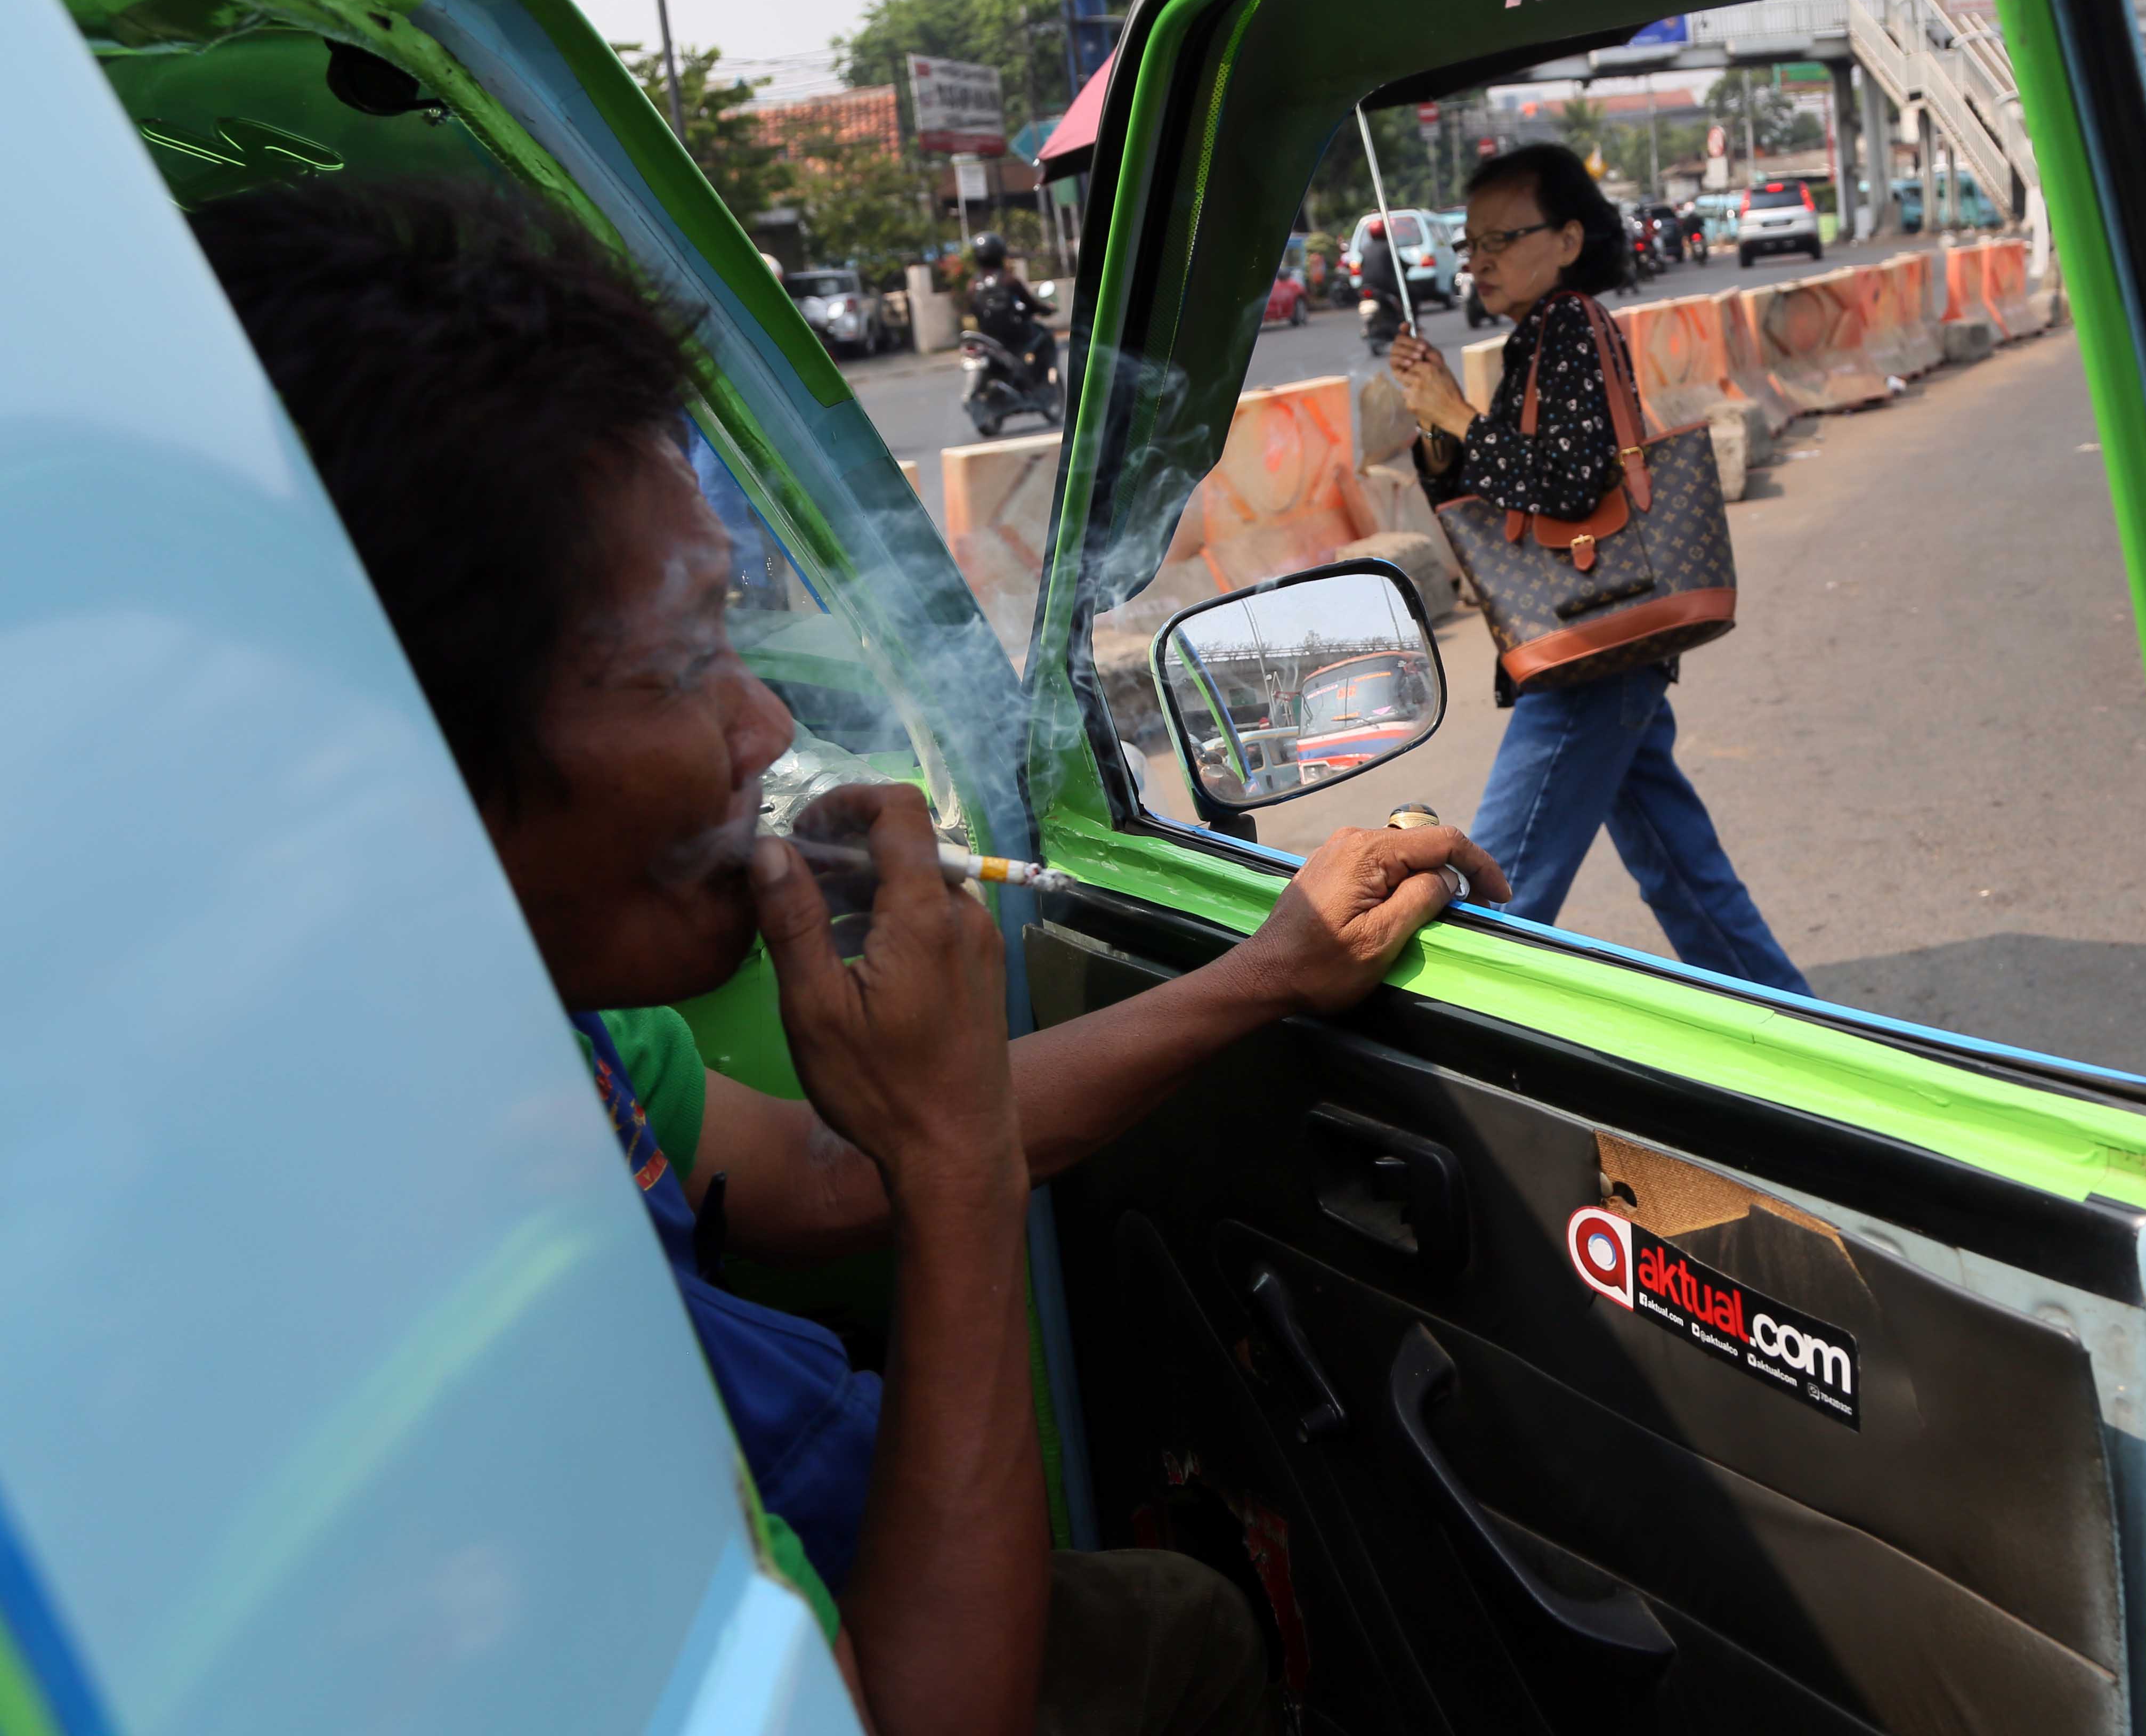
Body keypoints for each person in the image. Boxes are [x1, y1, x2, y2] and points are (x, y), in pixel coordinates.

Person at [188, 180, 1507, 1736]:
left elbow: (816, 1169)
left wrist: (1265, 973)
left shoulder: (518, 1026)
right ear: (395, 751)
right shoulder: (359, 1295)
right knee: (1185, 1630)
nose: (765, 728)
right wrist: (958, 1170)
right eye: (683, 662)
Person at [1386, 144, 1811, 996]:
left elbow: (1574, 485)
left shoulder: (1569, 324)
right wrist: (1441, 426)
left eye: (1504, 238)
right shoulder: (1539, 338)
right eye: (1472, 245)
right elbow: (1498, 486)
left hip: (1587, 648)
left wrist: (1462, 415)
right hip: (1610, 642)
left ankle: (1464, 1061)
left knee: (1501, 898)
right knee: (1684, 878)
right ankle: (1812, 1040)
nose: (1483, 261)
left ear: (1570, 239)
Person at [967, 230, 1059, 384]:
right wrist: (1047, 309)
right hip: (1014, 336)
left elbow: (973, 310)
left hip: (987, 337)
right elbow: (1032, 304)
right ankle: (1040, 382)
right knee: (1044, 337)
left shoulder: (972, 286)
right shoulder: (1008, 281)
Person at [1354, 217, 1408, 353]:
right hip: (1386, 288)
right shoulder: (1388, 248)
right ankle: (1409, 324)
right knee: (1412, 294)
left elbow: (1362, 268)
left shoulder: (1365, 250)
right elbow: (1401, 264)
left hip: (1367, 288)